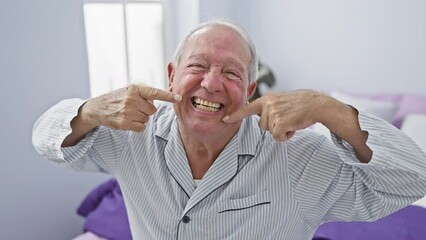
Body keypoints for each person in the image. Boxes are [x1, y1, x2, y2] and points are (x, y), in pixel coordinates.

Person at [32, 19, 426, 240]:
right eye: (197, 66)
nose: (211, 83)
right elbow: (45, 140)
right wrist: (88, 110)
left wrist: (329, 109)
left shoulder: (299, 156)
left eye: (231, 72)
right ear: (172, 76)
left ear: (251, 90)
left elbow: (413, 179)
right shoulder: (132, 133)